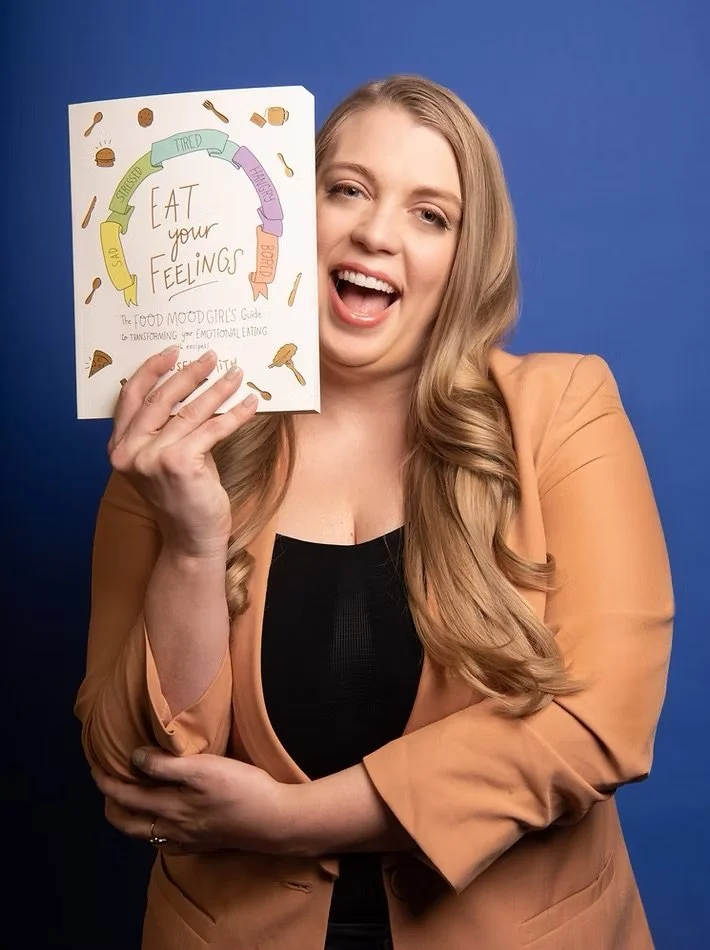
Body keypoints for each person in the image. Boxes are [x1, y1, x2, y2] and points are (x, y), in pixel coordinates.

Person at [75, 74, 673, 950]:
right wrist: (194, 545)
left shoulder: (563, 407)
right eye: (346, 189)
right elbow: (133, 768)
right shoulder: (170, 438)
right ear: (281, 210)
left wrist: (293, 819)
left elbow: (598, 723)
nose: (376, 232)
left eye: (431, 214)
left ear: (467, 258)